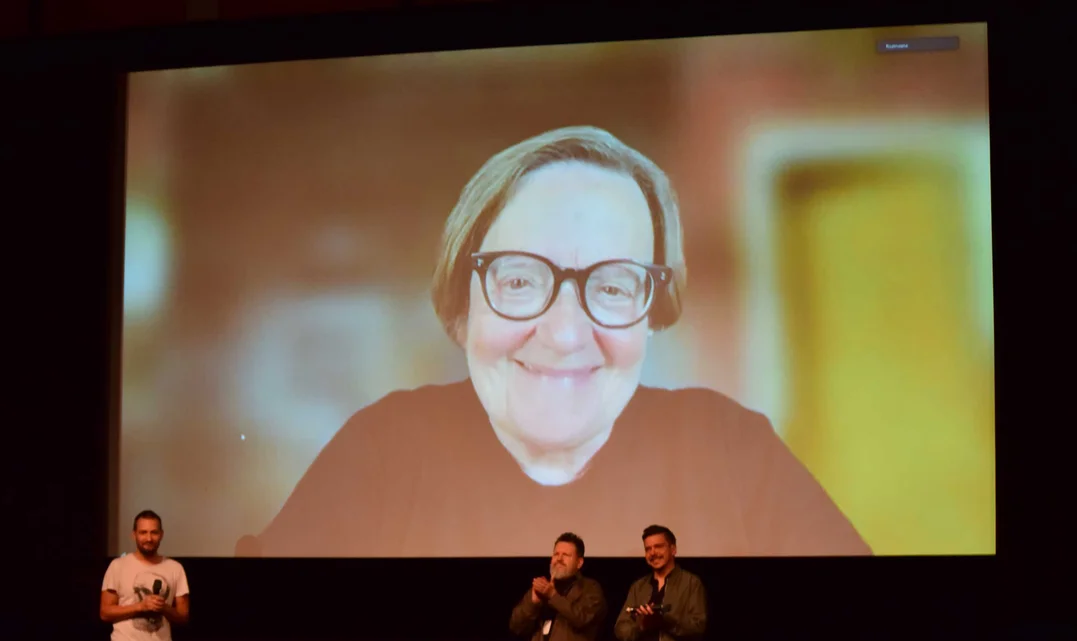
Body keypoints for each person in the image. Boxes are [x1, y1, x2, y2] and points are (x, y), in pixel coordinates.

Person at [240, 125, 871, 558]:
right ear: (463, 305)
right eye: (519, 280)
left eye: (614, 286)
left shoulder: (732, 454)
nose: (566, 334)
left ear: (652, 316)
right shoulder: (381, 451)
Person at [100, 511, 190, 641]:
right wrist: (140, 606)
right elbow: (105, 611)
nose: (148, 538)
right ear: (134, 534)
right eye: (143, 532)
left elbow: (183, 615)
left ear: (161, 534)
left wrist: (164, 608)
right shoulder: (118, 566)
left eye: (153, 533)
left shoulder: (175, 569)